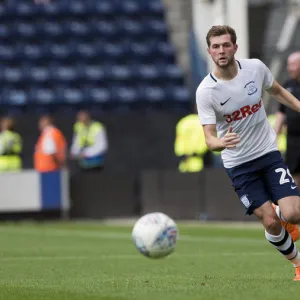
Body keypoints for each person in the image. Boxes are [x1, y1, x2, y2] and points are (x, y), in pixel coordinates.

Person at [196, 25, 300, 281]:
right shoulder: (206, 91)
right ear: (209, 51)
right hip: (239, 164)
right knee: (271, 224)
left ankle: (280, 213)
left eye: (226, 45)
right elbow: (209, 138)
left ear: (235, 47)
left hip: (268, 153)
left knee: (295, 214)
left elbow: (275, 90)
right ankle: (298, 264)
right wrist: (221, 142)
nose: (221, 50)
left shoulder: (255, 68)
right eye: (216, 46)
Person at [274, 52, 300, 188]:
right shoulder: (287, 85)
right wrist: (274, 137)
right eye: (289, 65)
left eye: (293, 65)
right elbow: (281, 113)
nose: (290, 68)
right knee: (294, 175)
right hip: (293, 140)